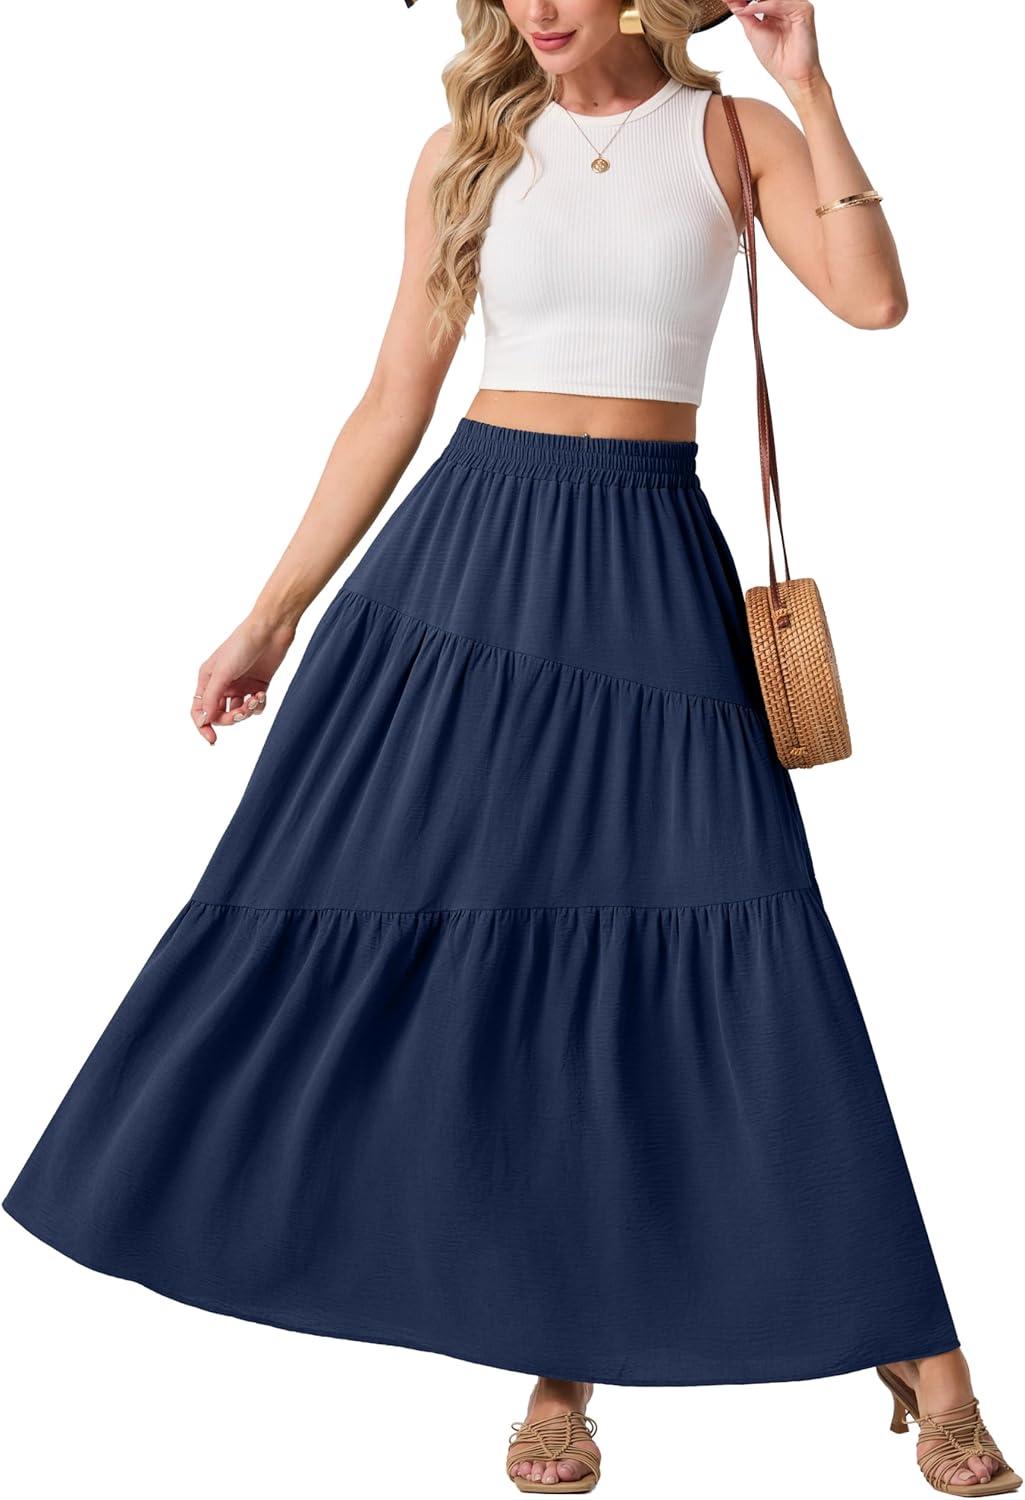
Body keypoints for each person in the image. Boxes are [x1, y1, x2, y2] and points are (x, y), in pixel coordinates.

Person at [3, 2, 1019, 1495]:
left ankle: (920, 1347)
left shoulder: (731, 133)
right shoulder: (462, 155)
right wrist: (269, 615)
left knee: (751, 938)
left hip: (647, 575)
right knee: (497, 944)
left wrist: (811, 86)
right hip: (463, 579)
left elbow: (873, 303)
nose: (539, 8)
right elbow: (392, 400)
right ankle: (556, 1365)